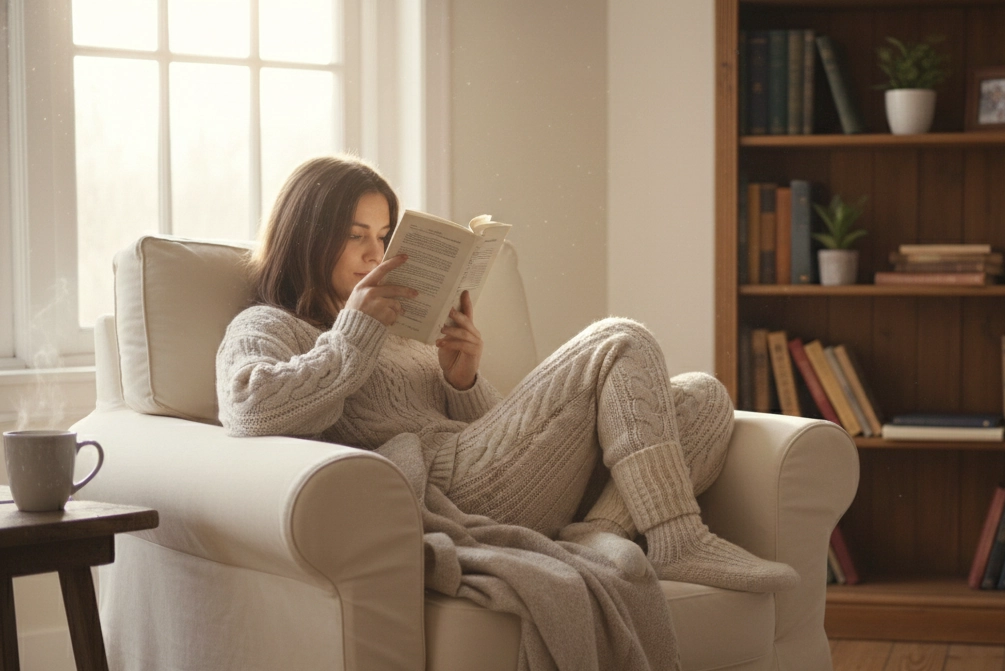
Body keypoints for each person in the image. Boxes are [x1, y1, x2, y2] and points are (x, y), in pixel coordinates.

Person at [216, 154, 797, 593]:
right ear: (308, 236)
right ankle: (676, 538)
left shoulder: (398, 327)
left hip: (487, 468)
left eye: (384, 235)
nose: (376, 254)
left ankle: (602, 532)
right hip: (446, 491)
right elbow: (248, 410)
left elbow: (489, 432)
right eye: (355, 236)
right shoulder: (268, 323)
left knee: (702, 396)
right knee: (619, 339)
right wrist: (353, 334)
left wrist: (461, 379)